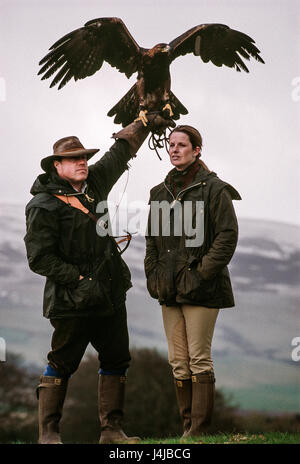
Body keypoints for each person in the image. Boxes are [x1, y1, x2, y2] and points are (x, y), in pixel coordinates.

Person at [24, 113, 172, 444]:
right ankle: (48, 434)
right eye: (73, 159)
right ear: (56, 166)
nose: (81, 163)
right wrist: (77, 279)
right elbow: (39, 258)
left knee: (117, 358)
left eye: (83, 158)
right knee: (62, 363)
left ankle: (112, 432)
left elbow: (119, 152)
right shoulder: (43, 205)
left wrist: (144, 121)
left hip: (109, 293)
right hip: (71, 299)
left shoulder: (96, 183)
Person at [144, 125, 241, 438]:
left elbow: (227, 237)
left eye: (182, 145)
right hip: (168, 289)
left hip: (203, 289)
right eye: (171, 145)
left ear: (197, 150)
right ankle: (187, 428)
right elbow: (152, 240)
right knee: (178, 362)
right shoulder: (159, 192)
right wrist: (153, 274)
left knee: (199, 358)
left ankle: (199, 429)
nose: (174, 149)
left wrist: (201, 274)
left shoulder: (214, 189)